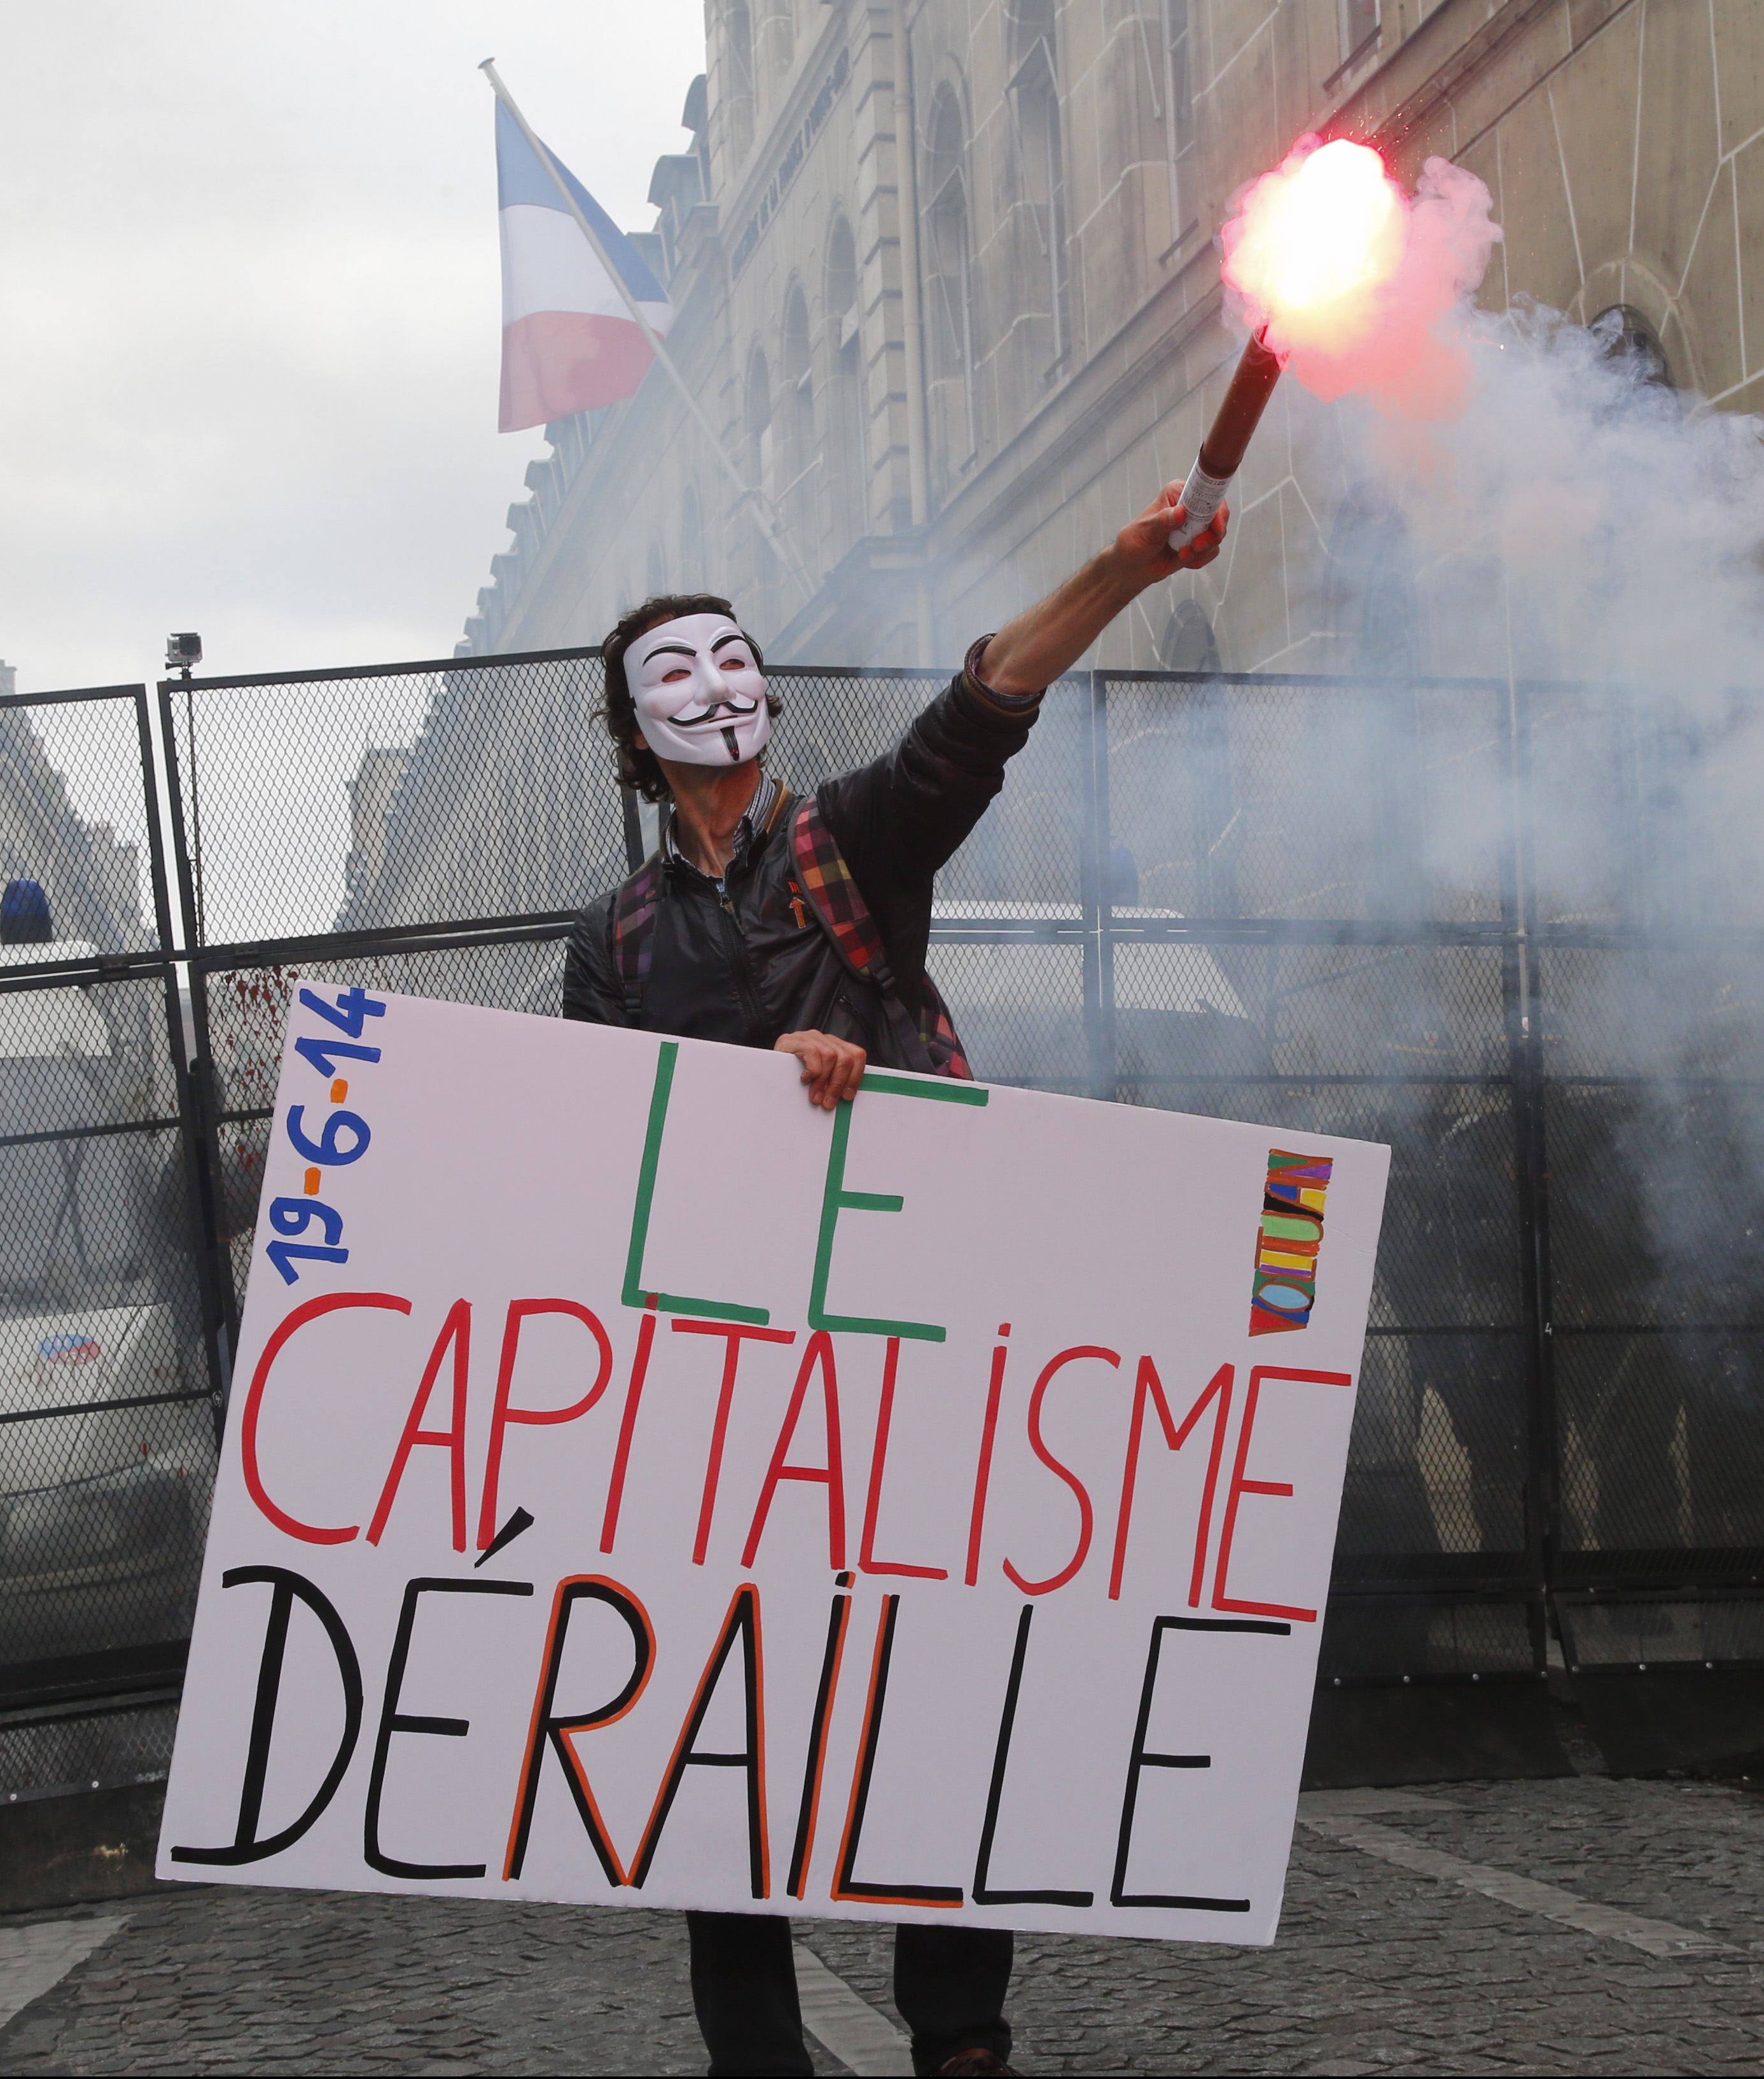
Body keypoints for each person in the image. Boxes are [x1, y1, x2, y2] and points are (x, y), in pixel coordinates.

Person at [560, 481, 1228, 2079]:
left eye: (734, 661)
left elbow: (986, 701)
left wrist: (1125, 562)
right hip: (729, 1386)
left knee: (930, 1687)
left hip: (898, 1343)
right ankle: (761, 2054)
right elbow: (608, 1143)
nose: (716, 688)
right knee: (728, 1713)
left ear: (764, 691)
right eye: (677, 675)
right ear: (636, 737)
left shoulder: (849, 843)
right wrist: (753, 1073)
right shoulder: (614, 939)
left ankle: (960, 2042)